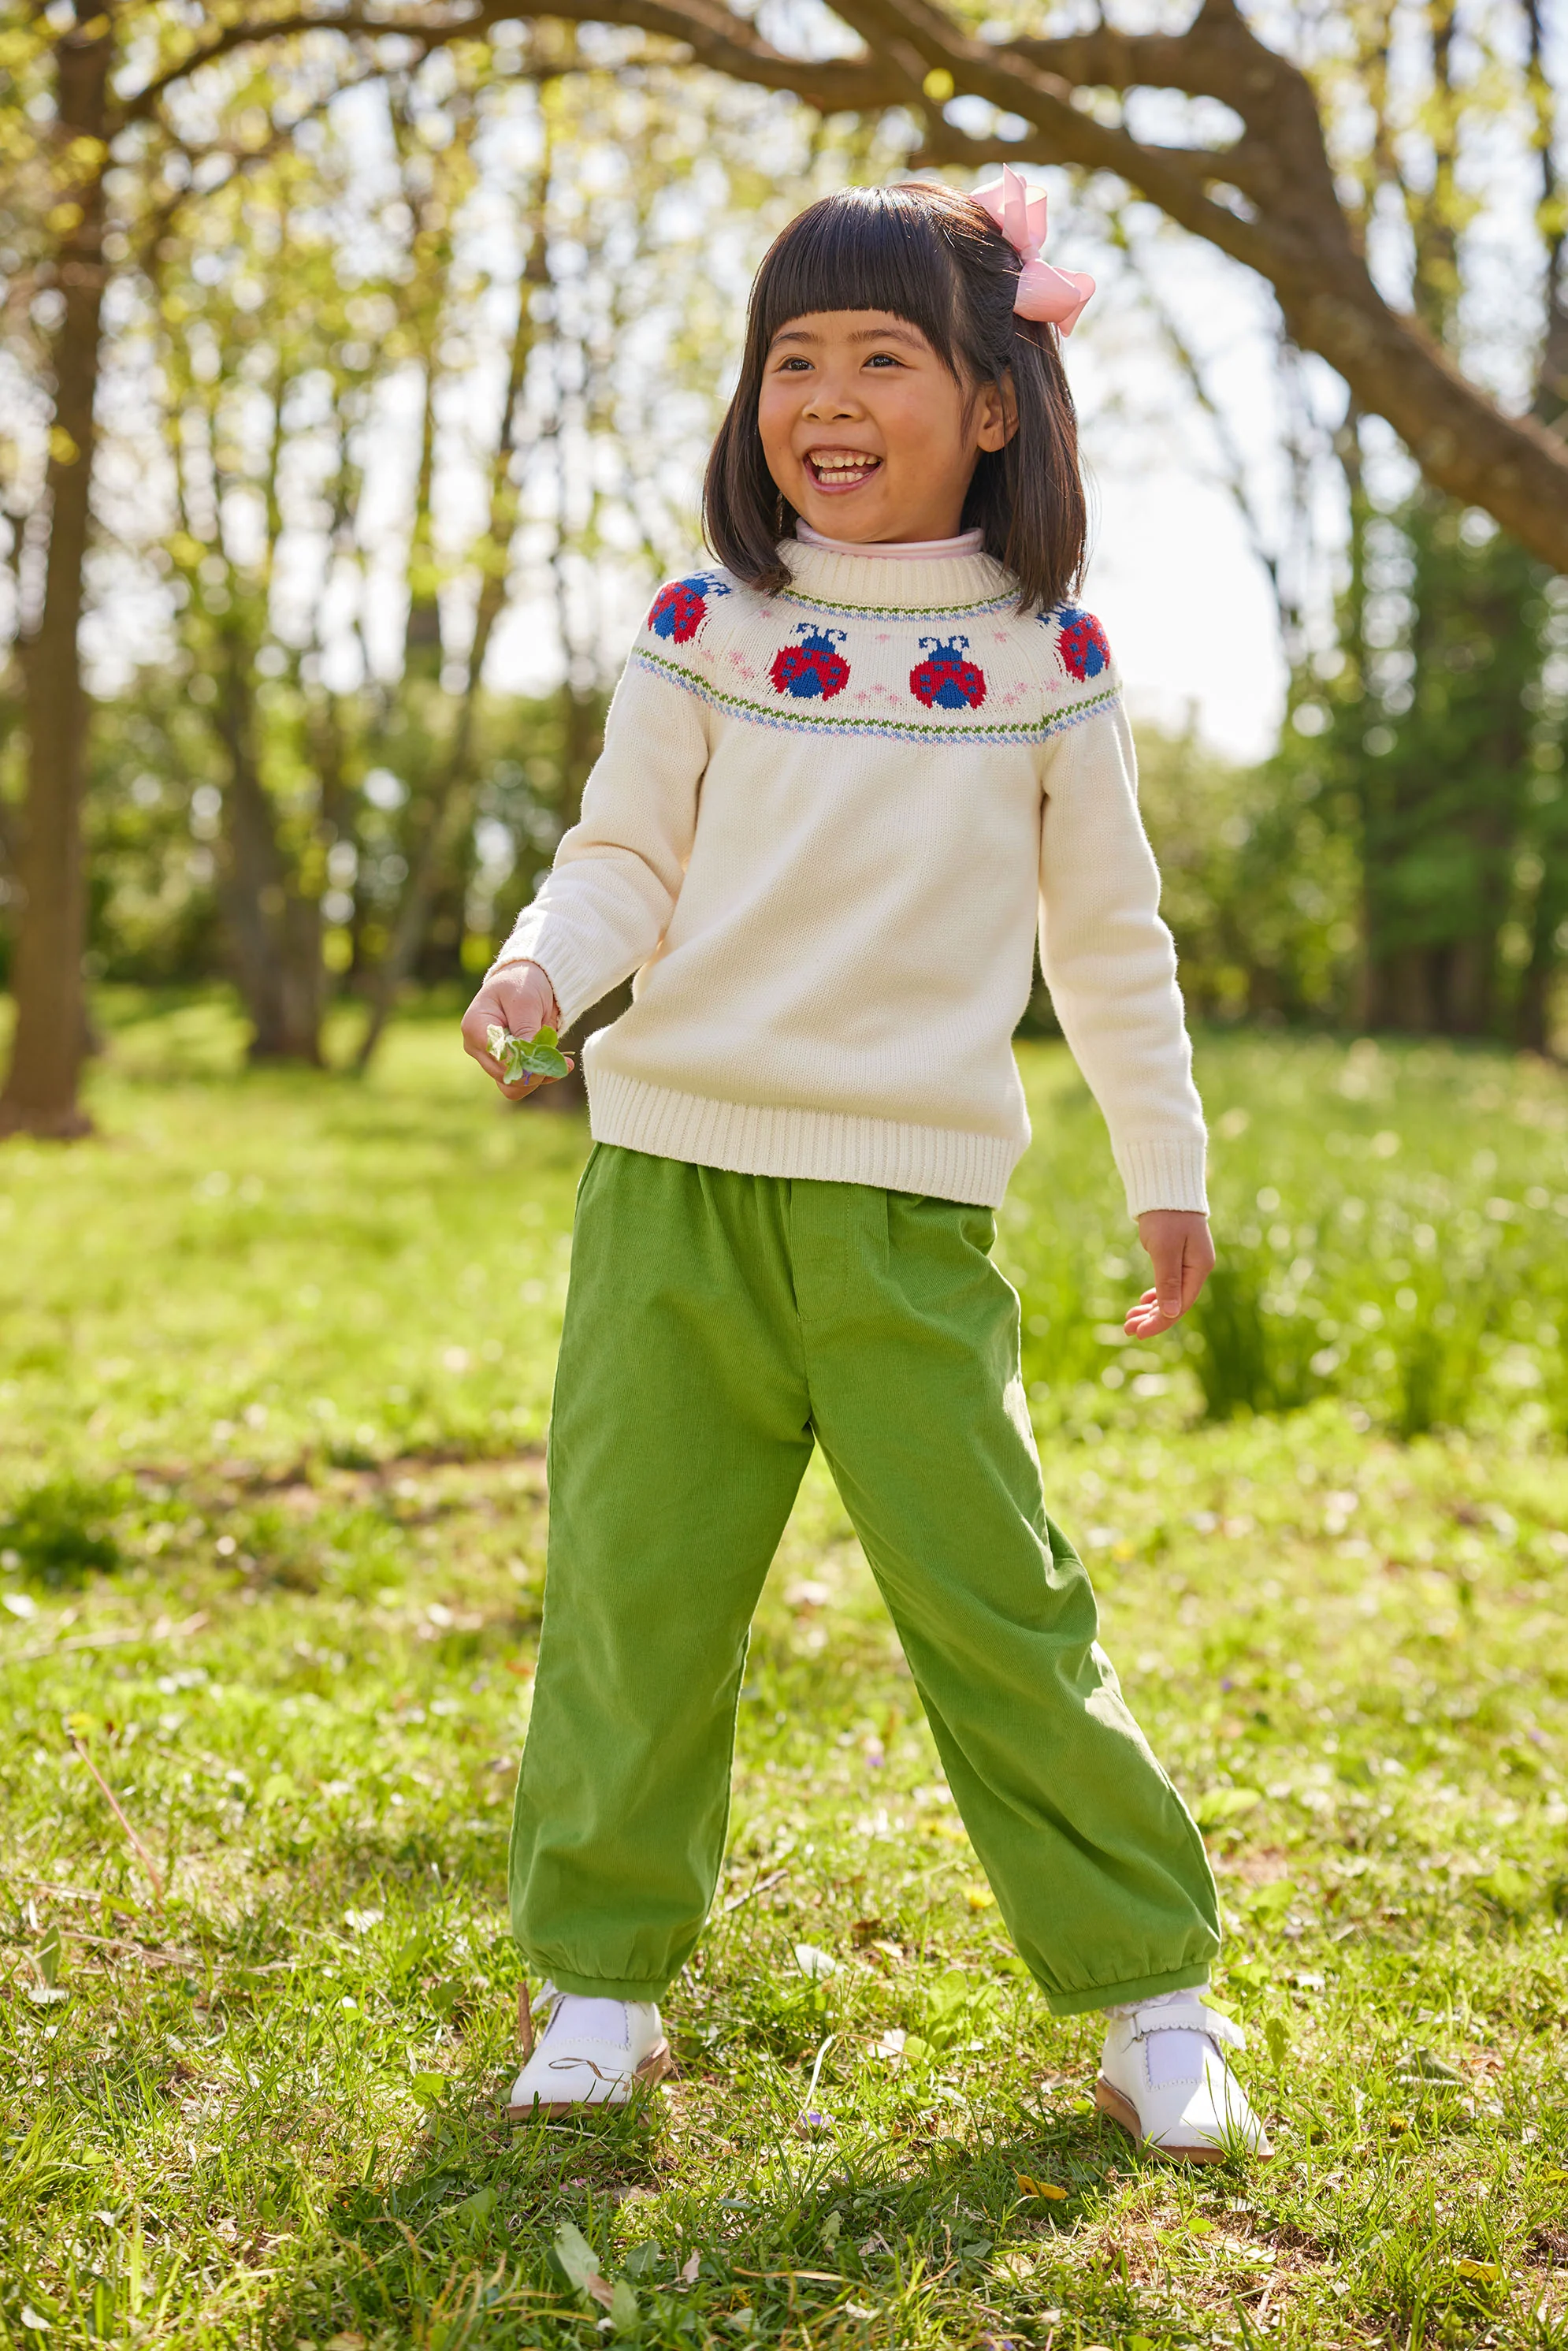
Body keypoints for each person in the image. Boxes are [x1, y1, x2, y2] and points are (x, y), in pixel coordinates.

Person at [461, 173, 1266, 2161]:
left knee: (1001, 1607)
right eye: (789, 359)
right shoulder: (704, 626)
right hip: (674, 1193)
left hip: (908, 1221)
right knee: (638, 1594)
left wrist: (1162, 1159)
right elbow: (623, 854)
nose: (823, 394)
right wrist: (540, 966)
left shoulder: (1044, 658)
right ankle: (599, 1988)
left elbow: (1109, 945)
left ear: (992, 401)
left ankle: (1151, 1999)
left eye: (879, 356)